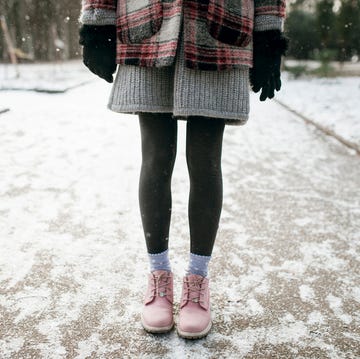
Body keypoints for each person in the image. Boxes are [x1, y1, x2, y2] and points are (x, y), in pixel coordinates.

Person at [79, 0, 287, 339]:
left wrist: (269, 38)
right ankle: (159, 277)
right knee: (156, 158)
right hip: (147, 26)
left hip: (221, 28)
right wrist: (97, 24)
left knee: (205, 163)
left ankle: (197, 280)